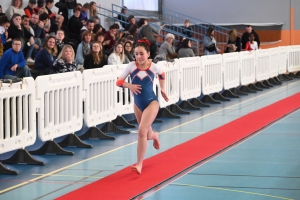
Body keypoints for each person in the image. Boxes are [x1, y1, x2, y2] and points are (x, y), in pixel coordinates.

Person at [116, 39, 169, 174]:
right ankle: (155, 135)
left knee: (141, 131)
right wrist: (129, 85)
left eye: (141, 54)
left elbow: (162, 74)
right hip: (138, 104)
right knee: (146, 133)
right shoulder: (131, 66)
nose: (138, 57)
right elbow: (119, 81)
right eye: (136, 54)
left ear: (148, 53)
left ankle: (139, 164)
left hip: (152, 102)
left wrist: (162, 89)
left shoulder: (153, 66)